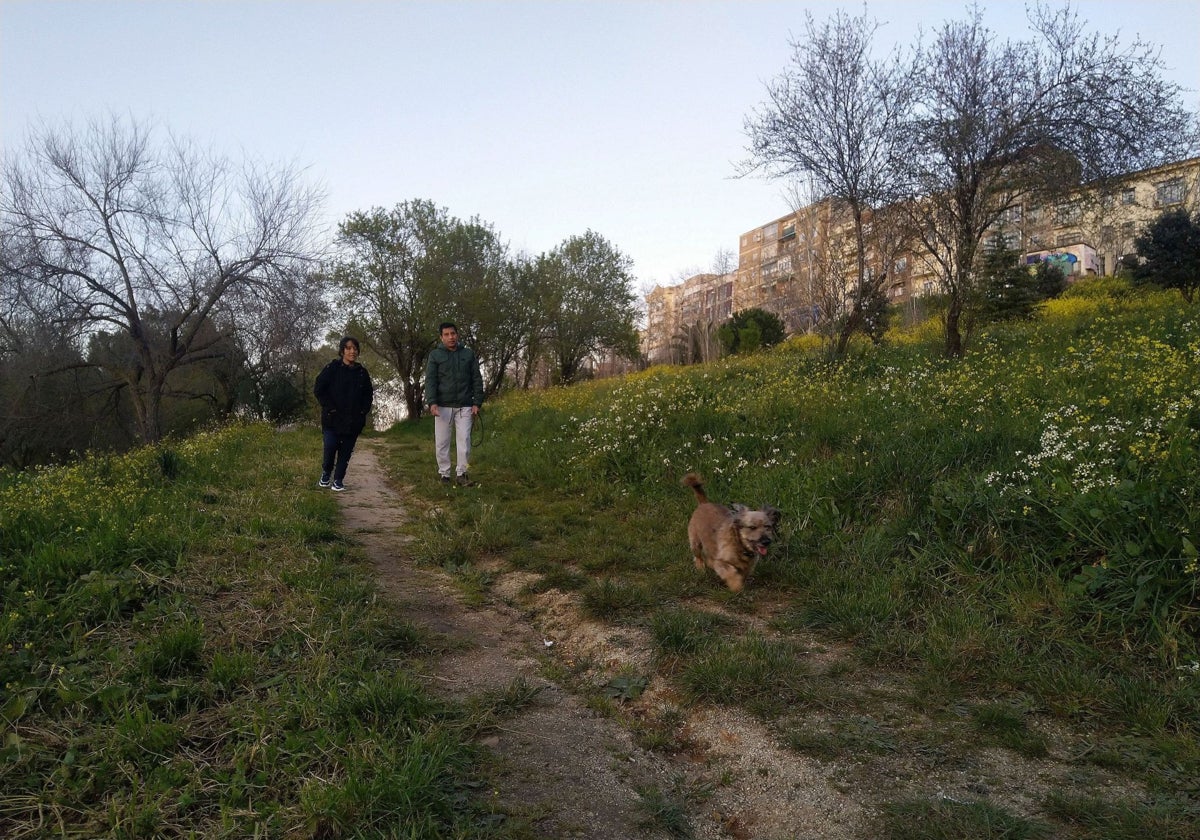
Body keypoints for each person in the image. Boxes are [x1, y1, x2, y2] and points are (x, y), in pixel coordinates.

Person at [424, 321, 484, 486]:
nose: (450, 337)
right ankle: (444, 474)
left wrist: (477, 402)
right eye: (446, 334)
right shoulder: (435, 355)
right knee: (442, 442)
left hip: (465, 405)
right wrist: (432, 402)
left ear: (457, 335)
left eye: (453, 334)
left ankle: (462, 474)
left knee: (464, 439)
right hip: (442, 406)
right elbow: (430, 381)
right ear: (441, 337)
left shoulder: (468, 354)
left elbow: (476, 379)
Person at [314, 336, 373, 492]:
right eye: (348, 348)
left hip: (353, 420)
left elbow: (368, 395)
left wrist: (362, 412)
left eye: (354, 348)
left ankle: (338, 479)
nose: (352, 351)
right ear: (342, 351)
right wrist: (330, 408)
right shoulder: (331, 368)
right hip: (332, 419)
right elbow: (319, 389)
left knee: (345, 452)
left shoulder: (362, 373)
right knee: (330, 448)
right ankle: (326, 473)